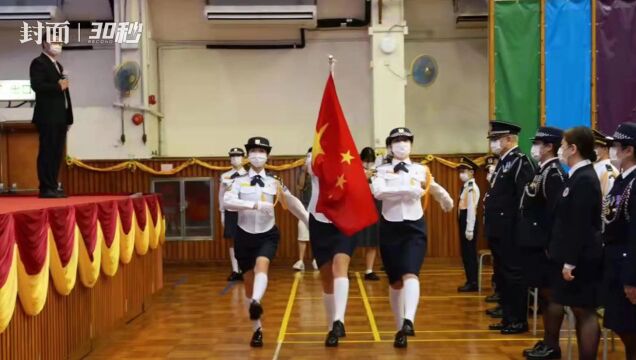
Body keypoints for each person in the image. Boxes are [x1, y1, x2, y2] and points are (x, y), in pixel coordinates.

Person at [372, 127, 454, 348]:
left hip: (414, 227)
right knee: (395, 281)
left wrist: (445, 199)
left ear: (411, 144)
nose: (402, 144)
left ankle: (409, 319)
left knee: (411, 272)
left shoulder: (420, 169)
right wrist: (405, 191)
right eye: (397, 140)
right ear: (390, 145)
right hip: (390, 227)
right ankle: (400, 327)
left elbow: (432, 186)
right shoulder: (381, 170)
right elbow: (378, 192)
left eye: (406, 140)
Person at [223, 137, 309, 347]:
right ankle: (257, 328)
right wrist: (253, 205)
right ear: (248, 155)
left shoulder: (275, 181)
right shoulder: (237, 181)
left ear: (267, 155)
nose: (257, 154)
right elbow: (228, 201)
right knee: (249, 283)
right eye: (253, 150)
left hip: (267, 234)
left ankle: (256, 301)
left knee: (263, 265)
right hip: (243, 235)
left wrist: (308, 221)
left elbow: (292, 202)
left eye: (262, 151)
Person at [549, 126, 603, 360]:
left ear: (573, 148)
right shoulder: (575, 176)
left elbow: (579, 225)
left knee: (585, 311)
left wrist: (570, 261)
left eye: (562, 146)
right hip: (572, 254)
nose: (560, 150)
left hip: (582, 258)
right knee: (578, 310)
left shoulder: (585, 178)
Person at [517, 127, 567, 359]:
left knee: (551, 295)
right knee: (545, 296)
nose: (534, 147)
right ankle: (547, 340)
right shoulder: (542, 171)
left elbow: (555, 214)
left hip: (545, 246)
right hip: (535, 243)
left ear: (549, 146)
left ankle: (552, 344)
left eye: (538, 143)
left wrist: (550, 245)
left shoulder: (554, 173)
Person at [484, 121, 535, 335]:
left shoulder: (520, 163)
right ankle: (507, 315)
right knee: (503, 275)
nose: (494, 143)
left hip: (511, 231)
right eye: (493, 139)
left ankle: (517, 320)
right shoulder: (504, 162)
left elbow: (524, 200)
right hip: (499, 230)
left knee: (514, 276)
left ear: (510, 139)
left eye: (497, 139)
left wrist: (519, 231)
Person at [601, 122, 636, 360]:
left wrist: (631, 279)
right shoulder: (621, 180)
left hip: (627, 266)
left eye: (615, 146)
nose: (611, 150)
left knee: (629, 326)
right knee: (620, 324)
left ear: (629, 150)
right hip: (614, 263)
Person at [30, 39, 73, 198]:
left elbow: (64, 93)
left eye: (59, 42)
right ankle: (46, 187)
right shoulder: (38, 63)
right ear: (44, 44)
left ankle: (53, 185)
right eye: (54, 42)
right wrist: (58, 86)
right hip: (47, 116)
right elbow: (37, 85)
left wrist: (67, 116)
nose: (58, 45)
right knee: (48, 151)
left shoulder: (58, 66)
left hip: (60, 116)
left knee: (56, 152)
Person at [352, 147, 381, 281]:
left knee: (372, 240)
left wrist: (373, 177)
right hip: (357, 207)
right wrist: (363, 177)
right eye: (365, 160)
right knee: (351, 240)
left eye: (370, 161)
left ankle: (369, 270)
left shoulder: (378, 172)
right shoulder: (354, 171)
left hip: (374, 206)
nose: (368, 163)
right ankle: (345, 269)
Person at [219, 147, 247, 282]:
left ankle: (245, 269)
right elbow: (221, 195)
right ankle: (235, 270)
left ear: (243, 158)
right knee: (232, 241)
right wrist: (222, 211)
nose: (235, 159)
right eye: (232, 156)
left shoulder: (249, 175)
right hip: (230, 212)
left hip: (245, 212)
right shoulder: (225, 176)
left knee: (245, 240)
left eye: (238, 156)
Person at [456, 157, 480, 292]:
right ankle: (470, 280)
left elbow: (471, 209)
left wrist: (469, 229)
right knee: (466, 254)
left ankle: (473, 282)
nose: (461, 174)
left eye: (464, 170)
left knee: (470, 254)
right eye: (460, 171)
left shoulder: (471, 187)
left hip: (468, 222)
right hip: (464, 222)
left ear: (472, 172)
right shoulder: (466, 186)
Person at [293, 147, 318, 271]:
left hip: (318, 211)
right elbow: (299, 187)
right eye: (308, 156)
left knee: (318, 236)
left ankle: (317, 259)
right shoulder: (304, 173)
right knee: (302, 235)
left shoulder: (320, 173)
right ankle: (301, 260)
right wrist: (304, 171)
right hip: (305, 209)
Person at [593, 129, 619, 197]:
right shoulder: (595, 167)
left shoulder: (608, 171)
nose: (592, 150)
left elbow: (609, 198)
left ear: (605, 149)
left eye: (595, 147)